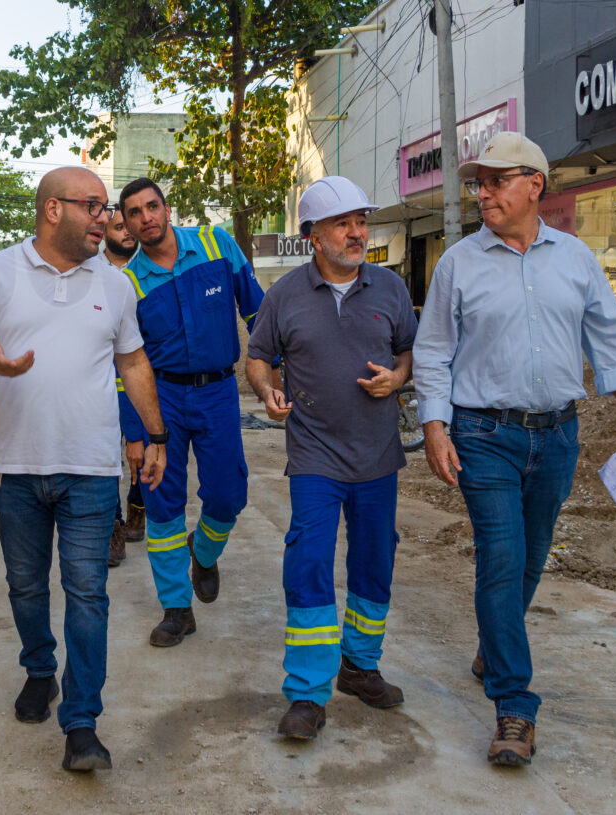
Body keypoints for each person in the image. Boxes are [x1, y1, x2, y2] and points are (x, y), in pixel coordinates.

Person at [412, 131, 616, 767]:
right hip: (482, 435)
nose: (484, 193)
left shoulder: (574, 258)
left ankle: (495, 644)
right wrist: (434, 426)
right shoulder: (458, 263)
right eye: (480, 184)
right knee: (501, 556)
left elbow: (608, 338)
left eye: (497, 181)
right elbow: (433, 351)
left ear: (534, 186)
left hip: (558, 436)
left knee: (531, 556)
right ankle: (514, 705)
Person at [0, 167, 168, 772]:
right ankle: (39, 669)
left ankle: (82, 722)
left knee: (88, 593)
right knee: (25, 586)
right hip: (17, 467)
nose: (108, 219)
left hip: (91, 469)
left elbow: (133, 362)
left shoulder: (116, 284)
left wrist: (156, 435)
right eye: (94, 206)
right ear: (53, 210)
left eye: (107, 208)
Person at [246, 176, 418, 741]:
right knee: (310, 561)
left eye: (361, 222)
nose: (357, 233)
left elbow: (408, 352)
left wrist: (397, 378)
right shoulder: (285, 295)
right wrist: (267, 391)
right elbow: (258, 358)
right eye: (343, 224)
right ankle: (306, 692)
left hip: (378, 455)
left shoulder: (390, 288)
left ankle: (360, 666)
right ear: (312, 237)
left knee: (374, 561)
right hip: (315, 454)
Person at [117, 177, 265, 647]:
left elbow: (258, 315)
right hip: (160, 400)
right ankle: (176, 609)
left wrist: (275, 371)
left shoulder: (216, 244)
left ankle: (202, 552)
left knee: (228, 495)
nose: (146, 218)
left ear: (166, 208)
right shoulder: (128, 284)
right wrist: (134, 432)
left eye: (152, 206)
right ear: (126, 225)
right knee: (161, 501)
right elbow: (126, 366)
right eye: (134, 213)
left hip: (219, 392)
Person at [96, 208, 146, 567]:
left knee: (142, 451)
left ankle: (137, 510)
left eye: (130, 228)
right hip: (101, 379)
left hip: (141, 375)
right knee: (106, 456)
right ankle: (113, 526)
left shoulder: (150, 269)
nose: (127, 233)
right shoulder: (90, 272)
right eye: (119, 227)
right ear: (104, 233)